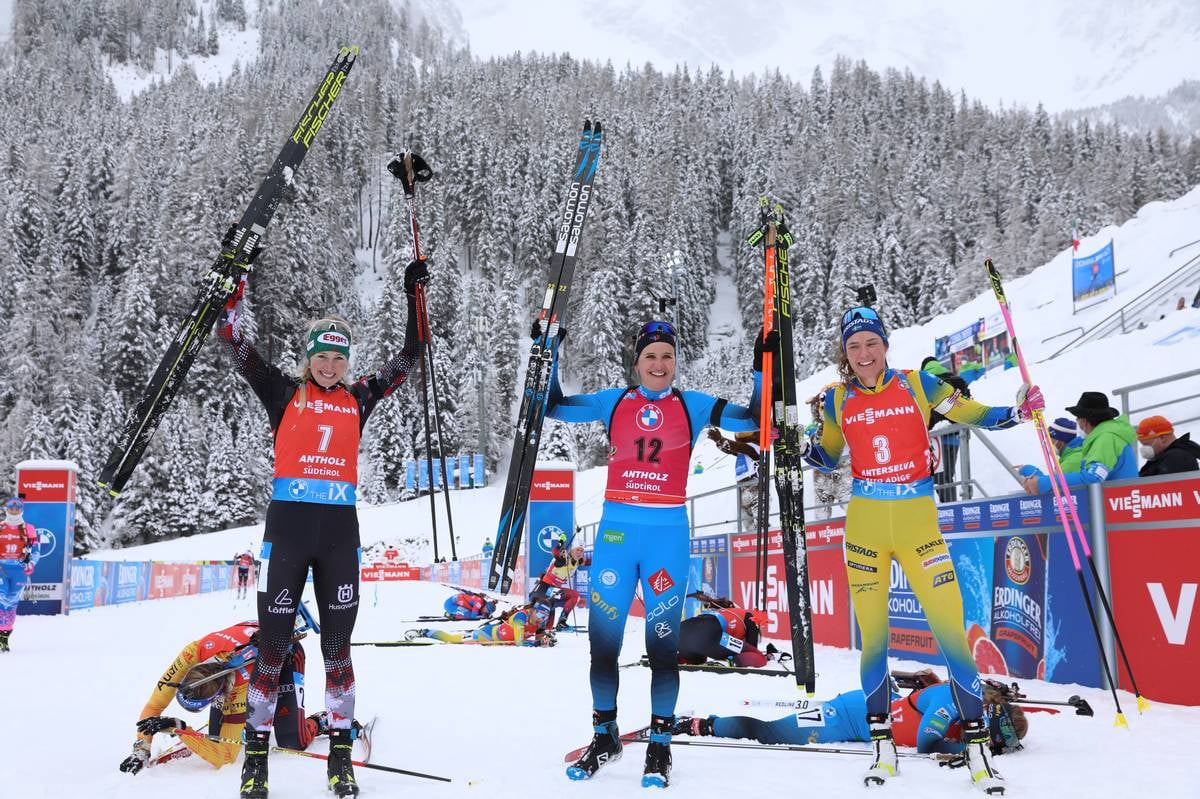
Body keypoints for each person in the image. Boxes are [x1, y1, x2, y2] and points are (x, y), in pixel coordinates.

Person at [804, 305, 1042, 793]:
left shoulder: (918, 386)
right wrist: (804, 442)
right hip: (865, 525)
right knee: (874, 640)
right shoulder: (836, 399)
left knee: (950, 630)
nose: (864, 354)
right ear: (845, 355)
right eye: (854, 347)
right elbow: (826, 456)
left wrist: (1020, 409)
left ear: (885, 345)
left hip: (918, 525)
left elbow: (976, 415)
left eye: (871, 343)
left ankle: (977, 748)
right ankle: (882, 746)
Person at [217, 259, 427, 799]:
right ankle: (256, 759)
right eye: (322, 357)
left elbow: (410, 356)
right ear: (308, 358)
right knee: (272, 648)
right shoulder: (283, 393)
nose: (330, 365)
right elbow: (234, 343)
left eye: (338, 358)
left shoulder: (359, 398)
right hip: (286, 532)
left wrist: (414, 296)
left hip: (339, 536)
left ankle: (340, 757)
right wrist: (232, 292)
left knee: (338, 649)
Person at [547, 319, 761, 787]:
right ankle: (604, 737)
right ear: (637, 362)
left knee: (661, 648)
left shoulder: (692, 405)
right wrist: (550, 351)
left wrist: (762, 368)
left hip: (666, 539)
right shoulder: (615, 402)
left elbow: (751, 418)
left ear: (675, 361)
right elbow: (554, 408)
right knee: (602, 647)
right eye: (651, 356)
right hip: (617, 539)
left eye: (667, 355)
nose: (659, 364)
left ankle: (660, 748)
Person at [118, 615, 351, 774]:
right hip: (248, 646)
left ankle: (319, 722)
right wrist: (141, 750)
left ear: (219, 695)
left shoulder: (240, 687)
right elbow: (153, 707)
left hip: (284, 657)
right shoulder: (192, 653)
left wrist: (180, 727)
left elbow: (224, 757)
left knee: (292, 741)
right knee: (215, 736)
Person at [673, 673, 1026, 757]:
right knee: (770, 733)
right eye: (992, 735)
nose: (982, 738)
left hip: (871, 714)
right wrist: (966, 750)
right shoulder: (952, 700)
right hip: (846, 715)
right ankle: (702, 724)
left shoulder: (967, 703)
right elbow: (925, 742)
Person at [1019, 392, 1137, 495]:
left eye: (1077, 419)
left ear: (1084, 420)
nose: (1078, 424)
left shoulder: (1107, 438)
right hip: (1119, 503)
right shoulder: (1106, 436)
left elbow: (1093, 477)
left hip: (1119, 506)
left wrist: (1047, 482)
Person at [921, 357, 972, 502]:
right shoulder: (957, 380)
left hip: (937, 438)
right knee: (950, 474)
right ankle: (956, 503)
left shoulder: (926, 383)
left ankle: (949, 508)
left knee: (941, 476)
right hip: (957, 434)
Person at [677, 593, 770, 668]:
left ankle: (676, 658)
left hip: (684, 629)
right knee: (760, 657)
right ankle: (729, 662)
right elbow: (752, 649)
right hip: (709, 633)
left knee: (699, 660)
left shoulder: (724, 612)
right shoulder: (750, 617)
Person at [414, 597, 553, 646]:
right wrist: (538, 643)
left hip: (497, 640)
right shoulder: (521, 617)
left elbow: (539, 639)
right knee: (452, 639)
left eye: (545, 616)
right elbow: (519, 642)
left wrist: (546, 640)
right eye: (540, 613)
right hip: (486, 635)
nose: (542, 618)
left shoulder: (540, 623)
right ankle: (425, 632)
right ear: (533, 610)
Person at [0, 497, 40, 653]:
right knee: (1, 597)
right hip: (1, 567)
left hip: (19, 570)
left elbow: (36, 551)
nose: (14, 511)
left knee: (11, 602)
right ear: (6, 509)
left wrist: (30, 565)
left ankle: (4, 636)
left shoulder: (28, 529)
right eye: (11, 508)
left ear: (21, 510)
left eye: (17, 509)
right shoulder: (1, 527)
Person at [806, 385, 850, 519]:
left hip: (845, 476)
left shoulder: (848, 426)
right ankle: (822, 537)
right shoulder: (817, 432)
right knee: (821, 516)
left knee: (853, 512)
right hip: (822, 479)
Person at [706, 428, 761, 532]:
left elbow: (738, 447)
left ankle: (765, 535)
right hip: (742, 488)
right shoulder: (742, 452)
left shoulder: (757, 447)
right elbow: (730, 449)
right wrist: (718, 441)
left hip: (756, 487)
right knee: (747, 521)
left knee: (760, 520)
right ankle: (751, 537)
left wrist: (721, 440)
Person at [533, 536, 590, 630]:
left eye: (582, 551)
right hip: (545, 590)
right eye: (577, 550)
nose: (579, 553)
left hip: (554, 592)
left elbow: (587, 561)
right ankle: (559, 623)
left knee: (548, 628)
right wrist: (560, 543)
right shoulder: (564, 558)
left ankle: (561, 622)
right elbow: (555, 552)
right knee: (539, 627)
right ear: (572, 550)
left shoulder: (577, 561)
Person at [1014, 417, 1083, 486]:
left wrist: (1029, 471)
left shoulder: (1073, 460)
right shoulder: (1071, 456)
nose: (1048, 443)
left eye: (1050, 440)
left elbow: (1053, 488)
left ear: (1060, 441)